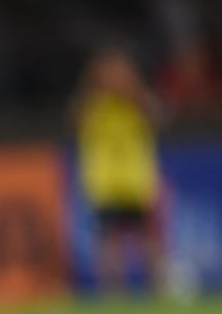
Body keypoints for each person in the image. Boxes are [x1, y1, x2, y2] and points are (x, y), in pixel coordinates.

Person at [70, 47, 164, 296]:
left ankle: (157, 287)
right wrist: (98, 94)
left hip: (136, 179)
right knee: (109, 238)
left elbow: (158, 117)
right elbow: (79, 123)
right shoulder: (94, 104)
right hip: (105, 182)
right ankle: (113, 292)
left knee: (147, 235)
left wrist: (133, 93)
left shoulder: (138, 102)